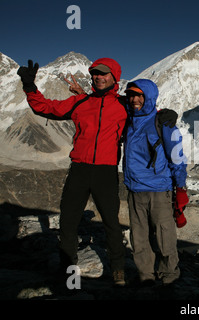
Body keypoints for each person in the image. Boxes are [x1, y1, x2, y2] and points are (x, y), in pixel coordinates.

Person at [17, 58, 128, 286]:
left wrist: (164, 117)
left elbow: (147, 111)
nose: (99, 77)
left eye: (104, 73)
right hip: (79, 168)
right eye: (95, 73)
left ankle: (118, 269)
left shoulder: (124, 105)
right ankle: (67, 270)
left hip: (106, 171)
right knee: (68, 221)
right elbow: (45, 107)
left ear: (114, 77)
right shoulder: (80, 102)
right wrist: (29, 86)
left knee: (111, 222)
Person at [123, 79, 188, 286]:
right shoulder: (129, 119)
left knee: (164, 237)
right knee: (139, 238)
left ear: (148, 97)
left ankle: (169, 277)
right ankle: (146, 277)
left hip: (159, 189)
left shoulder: (164, 124)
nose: (134, 100)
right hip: (134, 189)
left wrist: (181, 186)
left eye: (139, 95)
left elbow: (177, 157)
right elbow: (108, 101)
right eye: (131, 95)